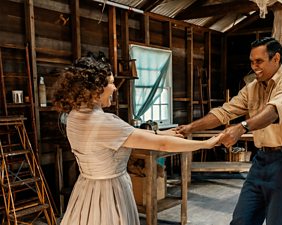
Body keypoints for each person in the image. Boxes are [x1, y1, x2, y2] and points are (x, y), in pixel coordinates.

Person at [52, 54, 221, 225]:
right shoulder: (105, 123)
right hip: (110, 192)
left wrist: (163, 133)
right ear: (94, 89)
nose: (115, 88)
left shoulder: (72, 116)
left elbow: (129, 134)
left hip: (86, 188)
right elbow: (161, 145)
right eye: (110, 83)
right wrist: (205, 143)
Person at [174, 37, 282, 225]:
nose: (254, 67)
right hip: (262, 160)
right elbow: (224, 112)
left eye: (259, 61)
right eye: (252, 62)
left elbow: (272, 112)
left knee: (280, 221)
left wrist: (242, 127)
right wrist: (190, 127)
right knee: (242, 220)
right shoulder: (252, 88)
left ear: (276, 58)